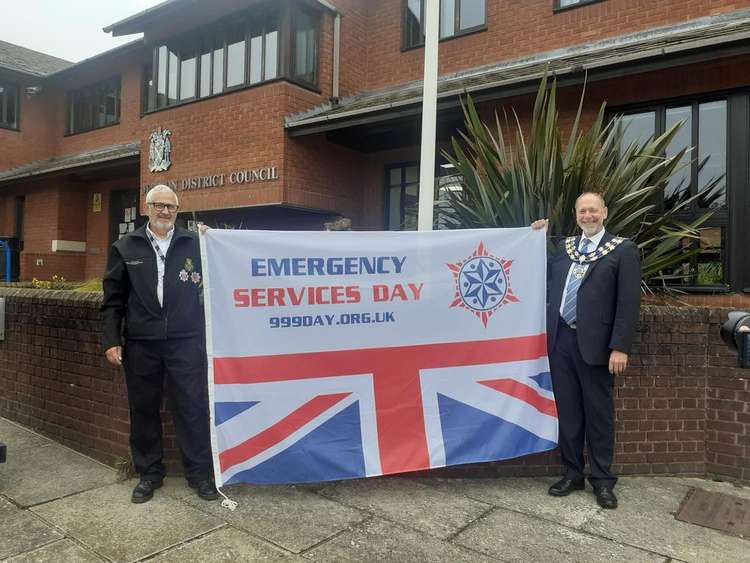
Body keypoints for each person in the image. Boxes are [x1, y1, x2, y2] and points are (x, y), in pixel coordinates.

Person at [102, 184, 218, 504]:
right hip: (142, 344)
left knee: (193, 408)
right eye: (158, 205)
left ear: (177, 211)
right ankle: (149, 474)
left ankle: (199, 474)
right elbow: (113, 300)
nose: (165, 211)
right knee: (143, 411)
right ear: (147, 207)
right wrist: (112, 339)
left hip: (186, 342)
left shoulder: (195, 244)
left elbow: (222, 273)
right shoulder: (125, 246)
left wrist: (215, 239)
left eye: (171, 206)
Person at [532, 192, 641, 509]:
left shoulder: (622, 251)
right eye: (582, 211)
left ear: (604, 212)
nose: (588, 216)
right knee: (568, 413)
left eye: (593, 210)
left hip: (597, 347)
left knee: (598, 415)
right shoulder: (564, 249)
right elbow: (539, 272)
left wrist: (620, 347)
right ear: (575, 214)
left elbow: (628, 303)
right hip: (561, 341)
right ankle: (573, 473)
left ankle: (603, 481)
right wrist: (534, 237)